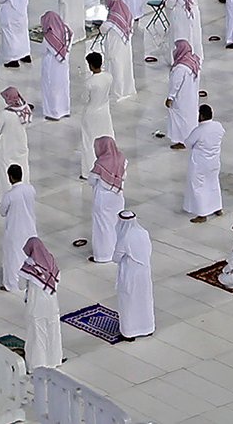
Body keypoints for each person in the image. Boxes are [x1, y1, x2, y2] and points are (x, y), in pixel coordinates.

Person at [21, 237, 63, 370]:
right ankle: (54, 360)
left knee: (37, 335)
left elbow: (21, 285)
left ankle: (37, 364)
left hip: (36, 305)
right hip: (52, 303)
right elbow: (57, 279)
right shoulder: (51, 262)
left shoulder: (29, 266)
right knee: (53, 332)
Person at [113, 211, 155, 340]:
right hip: (144, 272)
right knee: (144, 299)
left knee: (129, 301)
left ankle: (130, 331)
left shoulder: (125, 237)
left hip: (130, 274)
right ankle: (146, 327)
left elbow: (116, 257)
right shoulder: (143, 232)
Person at [0, 165, 37, 292]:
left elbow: (2, 212)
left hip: (15, 230)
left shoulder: (10, 195)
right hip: (29, 227)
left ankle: (12, 284)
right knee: (28, 255)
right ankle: (29, 279)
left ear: (10, 177)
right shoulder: (30, 189)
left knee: (13, 257)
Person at [89, 136, 127, 264]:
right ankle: (117, 251)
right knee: (115, 224)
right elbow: (123, 175)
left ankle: (103, 255)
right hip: (117, 196)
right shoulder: (121, 158)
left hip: (103, 199)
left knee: (102, 226)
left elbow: (92, 180)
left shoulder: (101, 164)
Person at [184, 104, 225, 223]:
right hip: (214, 162)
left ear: (201, 116)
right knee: (213, 184)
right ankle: (217, 207)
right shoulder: (218, 126)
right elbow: (222, 133)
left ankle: (202, 213)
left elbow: (187, 143)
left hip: (200, 165)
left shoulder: (199, 130)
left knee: (198, 187)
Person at [80, 52, 115, 178]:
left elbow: (84, 99)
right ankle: (109, 165)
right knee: (107, 137)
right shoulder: (108, 77)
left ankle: (88, 170)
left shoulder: (89, 82)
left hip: (91, 113)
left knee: (89, 141)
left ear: (90, 65)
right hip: (104, 111)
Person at [0, 88, 32, 200]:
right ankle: (24, 189)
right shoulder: (26, 108)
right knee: (23, 167)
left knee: (5, 170)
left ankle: (5, 193)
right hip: (21, 144)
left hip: (8, 146)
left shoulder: (6, 113)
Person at [166, 40, 201, 148]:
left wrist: (170, 97)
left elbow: (175, 84)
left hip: (181, 98)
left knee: (180, 119)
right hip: (191, 96)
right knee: (189, 117)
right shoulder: (193, 61)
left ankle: (182, 141)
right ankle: (190, 138)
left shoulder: (181, 68)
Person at [166, 0, 203, 66]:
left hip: (181, 16)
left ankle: (180, 58)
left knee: (180, 36)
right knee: (194, 35)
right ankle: (195, 56)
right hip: (193, 14)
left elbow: (170, 4)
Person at [103, 0, 136, 102]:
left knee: (116, 70)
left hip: (115, 49)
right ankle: (127, 90)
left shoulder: (113, 17)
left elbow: (103, 29)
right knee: (125, 67)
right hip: (125, 48)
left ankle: (117, 93)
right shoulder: (127, 12)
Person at [39, 11, 71, 120]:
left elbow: (43, 50)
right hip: (64, 63)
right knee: (63, 85)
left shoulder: (48, 37)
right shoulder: (67, 31)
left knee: (51, 87)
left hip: (51, 64)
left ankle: (53, 112)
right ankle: (65, 109)